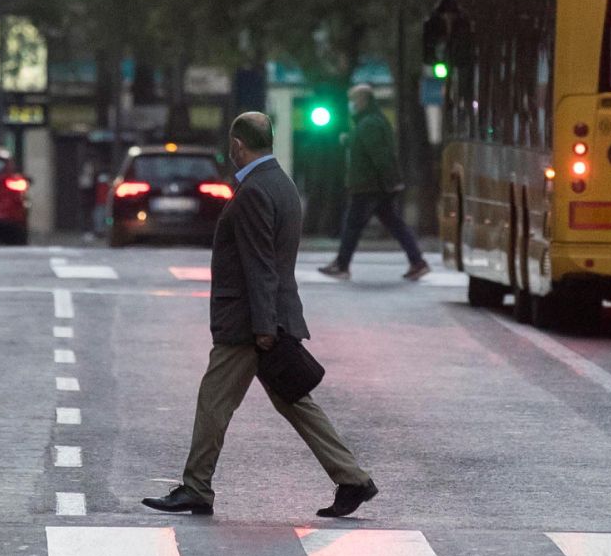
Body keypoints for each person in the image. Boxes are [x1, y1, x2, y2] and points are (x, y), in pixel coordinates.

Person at [143, 112, 379, 519]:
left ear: (237, 145)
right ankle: (353, 479)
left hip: (249, 324)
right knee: (296, 402)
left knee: (213, 402)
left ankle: (197, 488)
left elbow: (259, 264)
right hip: (267, 317)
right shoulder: (282, 184)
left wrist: (264, 328)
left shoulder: (253, 191)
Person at [318, 84, 430, 281]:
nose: (351, 105)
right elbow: (368, 147)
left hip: (368, 185)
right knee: (394, 224)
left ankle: (342, 265)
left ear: (363, 101)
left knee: (352, 225)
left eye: (353, 100)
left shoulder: (369, 124)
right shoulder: (371, 122)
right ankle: (417, 262)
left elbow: (379, 155)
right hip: (376, 185)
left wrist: (391, 181)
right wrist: (349, 140)